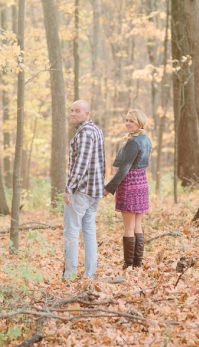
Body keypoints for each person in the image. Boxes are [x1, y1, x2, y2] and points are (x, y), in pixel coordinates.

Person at [63, 100, 105, 278]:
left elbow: (81, 165)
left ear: (87, 114)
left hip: (82, 192)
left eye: (77, 111)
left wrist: (69, 188)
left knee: (71, 231)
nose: (73, 113)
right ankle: (89, 274)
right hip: (94, 192)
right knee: (89, 232)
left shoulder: (85, 133)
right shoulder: (96, 130)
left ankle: (70, 275)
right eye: (72, 110)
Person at [104, 109, 152, 269]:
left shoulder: (133, 142)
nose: (127, 123)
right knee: (137, 226)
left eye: (131, 121)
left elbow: (124, 169)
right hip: (142, 183)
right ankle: (137, 264)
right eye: (126, 120)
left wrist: (109, 188)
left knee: (129, 227)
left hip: (130, 184)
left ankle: (129, 265)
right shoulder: (146, 139)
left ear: (139, 122)